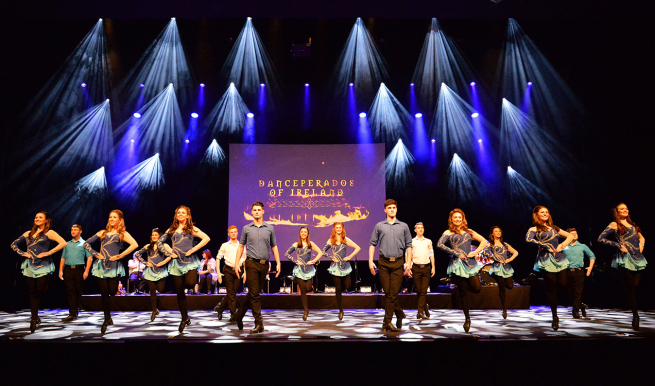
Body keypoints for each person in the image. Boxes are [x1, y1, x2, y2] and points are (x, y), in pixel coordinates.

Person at [157, 205, 211, 333]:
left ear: (187, 215)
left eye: (183, 213)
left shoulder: (191, 228)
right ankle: (184, 318)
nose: (180, 214)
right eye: (178, 213)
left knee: (191, 283)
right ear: (176, 215)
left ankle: (185, 317)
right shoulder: (172, 229)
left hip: (189, 261)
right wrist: (170, 252)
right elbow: (161, 242)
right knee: (180, 292)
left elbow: (206, 238)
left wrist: (193, 249)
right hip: (176, 262)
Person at [11, 211, 67, 333]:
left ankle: (35, 316)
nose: (37, 219)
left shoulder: (49, 233)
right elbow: (13, 244)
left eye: (40, 217)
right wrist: (23, 253)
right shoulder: (27, 233)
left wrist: (48, 252)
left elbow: (63, 243)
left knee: (40, 290)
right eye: (36, 217)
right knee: (32, 293)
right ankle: (34, 318)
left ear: (46, 220)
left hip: (44, 266)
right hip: (30, 266)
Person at [83, 210, 139, 333]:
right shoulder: (102, 232)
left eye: (114, 217)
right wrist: (96, 254)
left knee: (112, 291)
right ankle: (107, 318)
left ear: (120, 220)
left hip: (114, 266)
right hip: (101, 266)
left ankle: (108, 317)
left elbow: (134, 244)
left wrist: (121, 255)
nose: (112, 219)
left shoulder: (122, 233)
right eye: (110, 217)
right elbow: (86, 243)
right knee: (104, 294)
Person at [436, 209, 488, 332]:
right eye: (455, 217)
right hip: (457, 263)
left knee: (476, 288)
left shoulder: (469, 232)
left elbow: (484, 241)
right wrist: (455, 252)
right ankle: (467, 319)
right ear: (451, 219)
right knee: (463, 292)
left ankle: (454, 280)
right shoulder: (448, 232)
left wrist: (475, 252)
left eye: (460, 217)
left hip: (470, 263)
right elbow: (439, 244)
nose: (458, 219)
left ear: (463, 218)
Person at [233, 202, 281, 333]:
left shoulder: (270, 228)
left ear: (263, 211)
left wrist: (278, 262)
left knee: (254, 293)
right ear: (252, 212)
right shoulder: (246, 228)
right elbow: (241, 246)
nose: (257, 212)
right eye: (254, 210)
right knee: (255, 295)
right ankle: (259, 323)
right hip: (251, 263)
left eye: (259, 210)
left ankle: (239, 315)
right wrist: (237, 263)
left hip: (264, 264)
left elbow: (274, 246)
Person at [597, 203, 646, 330]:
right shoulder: (614, 224)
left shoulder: (632, 224)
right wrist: (618, 245)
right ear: (617, 212)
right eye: (622, 209)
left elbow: (641, 237)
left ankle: (607, 269)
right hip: (625, 257)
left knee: (634, 284)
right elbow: (601, 239)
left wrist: (642, 243)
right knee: (630, 286)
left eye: (626, 208)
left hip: (638, 256)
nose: (625, 210)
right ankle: (635, 316)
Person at [526, 206, 574, 331]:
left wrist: (562, 245)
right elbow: (528, 239)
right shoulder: (534, 228)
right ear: (536, 214)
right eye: (542, 212)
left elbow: (570, 236)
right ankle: (555, 317)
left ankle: (538, 280)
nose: (545, 214)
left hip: (560, 258)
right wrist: (544, 245)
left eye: (547, 212)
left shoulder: (555, 228)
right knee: (552, 288)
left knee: (563, 283)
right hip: (546, 259)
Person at [369, 199, 412, 332]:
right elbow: (372, 244)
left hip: (398, 263)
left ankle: (386, 322)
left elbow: (409, 246)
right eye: (389, 208)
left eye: (394, 207)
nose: (392, 209)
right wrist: (370, 261)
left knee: (393, 293)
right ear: (385, 210)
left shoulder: (404, 226)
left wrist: (409, 263)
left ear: (396, 209)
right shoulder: (379, 226)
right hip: (383, 263)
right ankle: (399, 314)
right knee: (388, 292)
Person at [322, 223, 359, 320]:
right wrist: (332, 257)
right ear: (334, 229)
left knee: (347, 286)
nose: (338, 229)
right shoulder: (330, 241)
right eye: (337, 228)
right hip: (336, 267)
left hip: (345, 266)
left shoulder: (346, 240)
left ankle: (342, 285)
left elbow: (357, 247)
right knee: (338, 290)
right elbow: (323, 252)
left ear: (342, 229)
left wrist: (350, 257)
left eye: (340, 228)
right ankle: (341, 310)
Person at [286, 227, 324, 320]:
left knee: (308, 288)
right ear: (300, 234)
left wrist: (314, 261)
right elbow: (287, 254)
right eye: (302, 232)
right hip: (299, 269)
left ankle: (295, 280)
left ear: (307, 234)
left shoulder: (311, 244)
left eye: (305, 232)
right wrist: (295, 261)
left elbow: (320, 252)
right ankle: (306, 311)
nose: (303, 233)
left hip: (309, 269)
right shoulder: (296, 244)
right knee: (303, 291)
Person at [134, 228, 172, 322]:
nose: (154, 236)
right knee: (152, 292)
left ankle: (155, 309)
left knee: (160, 288)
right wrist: (146, 263)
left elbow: (171, 255)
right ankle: (154, 310)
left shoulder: (164, 245)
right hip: (150, 271)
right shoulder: (148, 246)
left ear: (160, 236)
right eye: (153, 235)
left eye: (156, 235)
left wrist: (163, 262)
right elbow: (138, 255)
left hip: (161, 270)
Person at [58, 224, 93, 322]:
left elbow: (89, 258)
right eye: (72, 229)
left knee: (78, 292)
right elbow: (63, 258)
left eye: (75, 229)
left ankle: (75, 312)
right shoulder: (67, 244)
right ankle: (72, 314)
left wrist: (86, 271)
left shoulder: (84, 243)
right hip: (68, 270)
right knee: (71, 292)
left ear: (80, 231)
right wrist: (60, 270)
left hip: (79, 269)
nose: (73, 231)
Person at [214, 226, 246, 321]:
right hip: (228, 270)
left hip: (238, 270)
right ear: (228, 234)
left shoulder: (241, 245)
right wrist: (218, 273)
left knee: (232, 293)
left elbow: (244, 259)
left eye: (234, 232)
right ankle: (233, 314)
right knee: (231, 294)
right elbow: (218, 258)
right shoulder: (225, 245)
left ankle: (220, 308)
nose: (233, 233)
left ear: (237, 233)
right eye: (231, 232)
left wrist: (246, 272)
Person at [484, 226, 518, 319]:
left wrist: (509, 259)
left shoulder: (505, 244)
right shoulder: (490, 245)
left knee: (510, 286)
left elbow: (515, 252)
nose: (498, 232)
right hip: (497, 267)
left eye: (499, 231)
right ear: (492, 234)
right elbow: (485, 252)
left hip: (506, 267)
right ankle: (504, 308)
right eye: (496, 231)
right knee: (502, 288)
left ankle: (491, 275)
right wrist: (494, 257)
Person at [562, 228, 595, 319]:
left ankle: (575, 311)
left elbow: (592, 256)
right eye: (572, 234)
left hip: (579, 271)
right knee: (569, 291)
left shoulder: (582, 246)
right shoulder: (564, 246)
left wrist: (590, 268)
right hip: (566, 272)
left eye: (575, 233)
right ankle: (581, 305)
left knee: (577, 292)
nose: (574, 235)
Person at [408, 222, 434, 320]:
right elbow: (409, 255)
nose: (420, 229)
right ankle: (425, 308)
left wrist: (433, 267)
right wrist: (409, 267)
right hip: (416, 268)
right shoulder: (412, 242)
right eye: (418, 228)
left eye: (422, 227)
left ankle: (420, 312)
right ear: (415, 230)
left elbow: (431, 254)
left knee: (423, 291)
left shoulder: (428, 241)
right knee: (419, 290)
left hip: (426, 268)